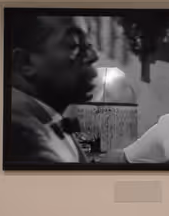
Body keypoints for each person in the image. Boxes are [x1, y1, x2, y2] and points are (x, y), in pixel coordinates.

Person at [6, 16, 99, 164]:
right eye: (73, 44)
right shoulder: (22, 133)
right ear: (24, 63)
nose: (93, 56)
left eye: (88, 44)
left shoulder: (45, 116)